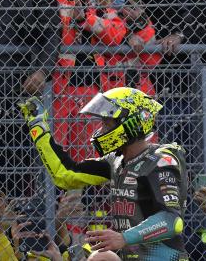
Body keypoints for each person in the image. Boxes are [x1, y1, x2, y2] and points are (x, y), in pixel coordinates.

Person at [24, 87, 188, 260]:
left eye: (107, 123)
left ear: (132, 123)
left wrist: (123, 238)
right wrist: (38, 127)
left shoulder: (160, 161)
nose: (101, 130)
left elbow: (172, 220)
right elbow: (65, 174)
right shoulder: (116, 161)